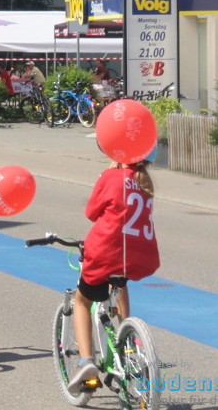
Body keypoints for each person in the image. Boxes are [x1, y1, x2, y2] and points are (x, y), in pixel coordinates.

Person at [68, 148, 160, 394]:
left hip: (104, 253)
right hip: (139, 255)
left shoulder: (110, 177)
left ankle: (86, 361)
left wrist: (109, 173)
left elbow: (91, 213)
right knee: (120, 281)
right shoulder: (146, 185)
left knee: (81, 301)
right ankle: (127, 338)